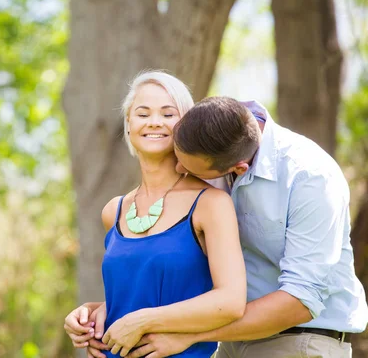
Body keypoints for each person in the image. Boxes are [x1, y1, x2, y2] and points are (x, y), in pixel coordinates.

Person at [66, 96, 368, 358]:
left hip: (300, 341)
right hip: (230, 341)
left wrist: (190, 335)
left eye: (188, 167)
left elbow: (301, 300)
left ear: (238, 169)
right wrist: (106, 309)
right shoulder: (217, 129)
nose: (180, 170)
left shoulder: (311, 178)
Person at [65, 72, 247, 358]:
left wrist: (143, 320)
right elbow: (138, 290)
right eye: (142, 113)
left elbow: (232, 301)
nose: (154, 122)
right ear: (128, 125)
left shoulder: (211, 203)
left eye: (168, 113)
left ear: (185, 125)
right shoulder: (114, 211)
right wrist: (90, 316)